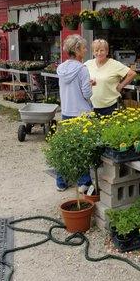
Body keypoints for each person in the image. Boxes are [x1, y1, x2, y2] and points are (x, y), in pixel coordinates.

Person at [55, 34, 92, 191]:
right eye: (83, 48)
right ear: (77, 50)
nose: (85, 50)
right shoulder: (82, 69)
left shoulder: (61, 68)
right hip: (81, 112)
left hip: (66, 111)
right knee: (82, 147)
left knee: (67, 147)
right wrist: (91, 84)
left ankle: (61, 182)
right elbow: (87, 94)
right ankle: (84, 182)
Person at [85, 39, 137, 116]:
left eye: (102, 50)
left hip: (111, 105)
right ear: (93, 52)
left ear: (107, 51)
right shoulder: (88, 64)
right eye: (96, 50)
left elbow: (132, 74)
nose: (99, 53)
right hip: (92, 105)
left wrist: (121, 85)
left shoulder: (114, 64)